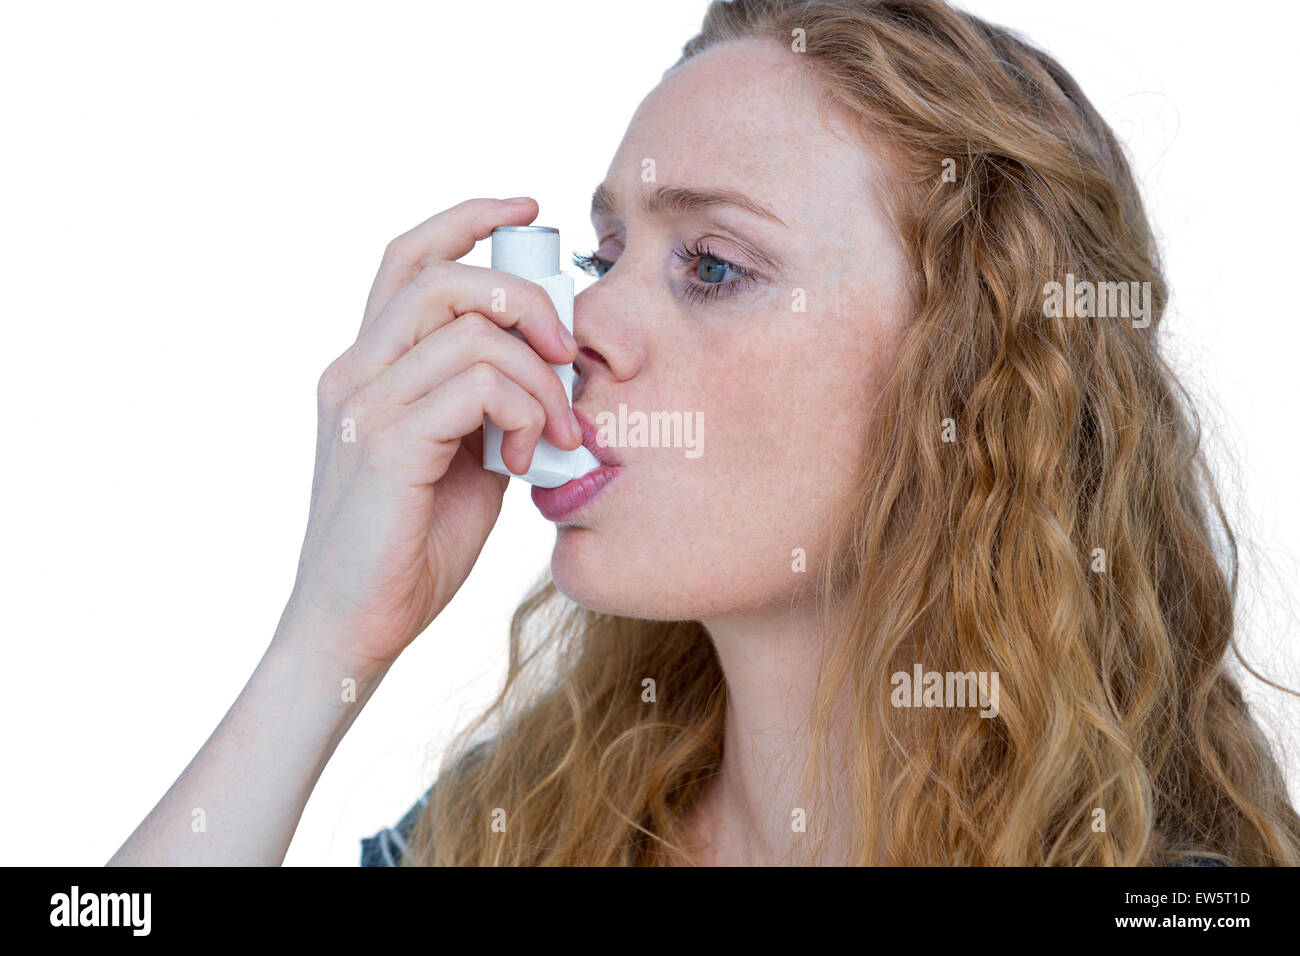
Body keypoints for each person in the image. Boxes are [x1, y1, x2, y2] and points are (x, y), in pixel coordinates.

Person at [109, 0, 1300, 867]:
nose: (580, 323)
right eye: (604, 252)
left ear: (974, 368)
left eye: (713, 265)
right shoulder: (496, 834)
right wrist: (325, 643)